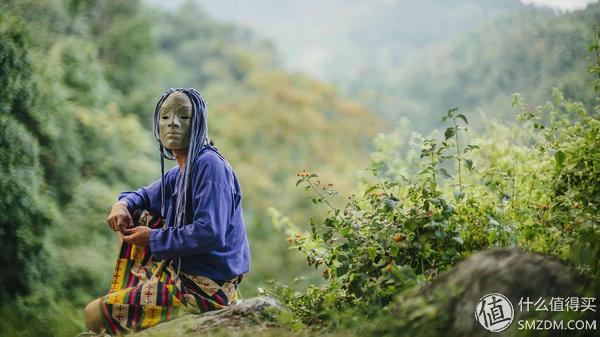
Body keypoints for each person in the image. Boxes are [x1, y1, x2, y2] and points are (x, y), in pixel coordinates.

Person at [83, 88, 250, 335]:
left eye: (183, 117)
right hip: (181, 275)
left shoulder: (209, 166)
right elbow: (140, 196)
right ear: (157, 126)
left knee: (93, 315)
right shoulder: (179, 173)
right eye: (165, 117)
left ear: (199, 124)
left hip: (206, 287)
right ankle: (138, 295)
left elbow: (210, 232)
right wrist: (121, 205)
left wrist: (151, 239)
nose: (172, 123)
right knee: (139, 212)